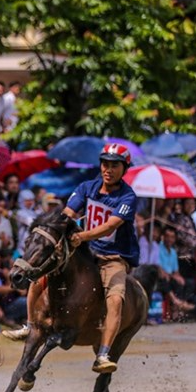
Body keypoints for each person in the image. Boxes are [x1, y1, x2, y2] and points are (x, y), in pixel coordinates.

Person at [61, 143, 140, 373]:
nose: (108, 169)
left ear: (124, 168)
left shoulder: (128, 197)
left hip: (113, 257)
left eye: (114, 165)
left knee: (116, 300)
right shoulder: (86, 187)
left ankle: (103, 354)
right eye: (105, 164)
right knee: (44, 270)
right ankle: (31, 324)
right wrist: (62, 227)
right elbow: (68, 213)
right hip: (85, 251)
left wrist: (81, 235)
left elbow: (109, 227)